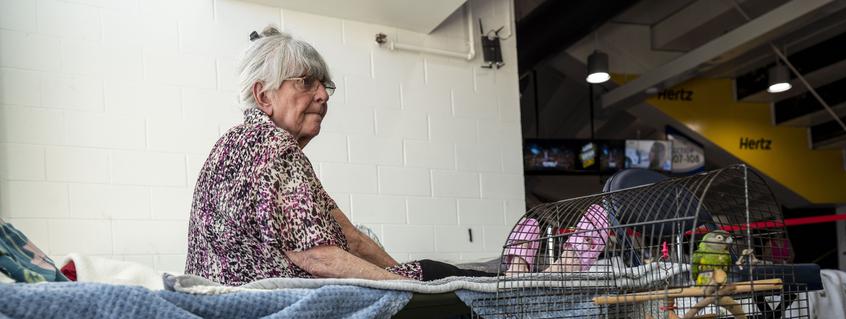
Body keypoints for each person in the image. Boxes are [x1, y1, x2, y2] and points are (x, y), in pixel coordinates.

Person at [185, 27, 608, 286]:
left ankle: (520, 283)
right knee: (442, 281)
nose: (320, 96)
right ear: (264, 95)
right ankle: (538, 287)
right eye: (306, 83)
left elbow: (345, 234)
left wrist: (402, 270)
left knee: (425, 272)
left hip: (235, 312)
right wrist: (407, 285)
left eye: (325, 86)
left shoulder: (231, 148)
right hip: (273, 315)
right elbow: (315, 256)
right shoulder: (273, 149)